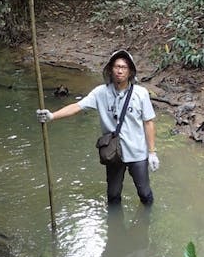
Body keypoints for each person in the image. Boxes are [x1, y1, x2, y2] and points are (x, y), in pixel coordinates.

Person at [36, 50, 159, 205]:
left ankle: (145, 222)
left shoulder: (140, 94)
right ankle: (115, 227)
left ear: (130, 71)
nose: (120, 70)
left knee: (144, 193)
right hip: (113, 153)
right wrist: (52, 116)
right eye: (116, 66)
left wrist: (152, 152)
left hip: (137, 152)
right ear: (110, 69)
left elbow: (148, 122)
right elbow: (77, 106)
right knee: (113, 196)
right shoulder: (101, 92)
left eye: (124, 67)